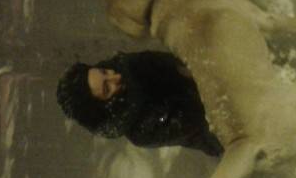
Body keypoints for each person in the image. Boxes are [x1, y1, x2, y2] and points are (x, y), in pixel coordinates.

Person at [56, 51, 223, 157]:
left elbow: (178, 62)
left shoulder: (129, 66)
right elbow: (197, 119)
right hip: (222, 130)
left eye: (104, 71)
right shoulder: (141, 129)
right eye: (107, 88)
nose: (115, 77)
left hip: (215, 80)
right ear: (103, 107)